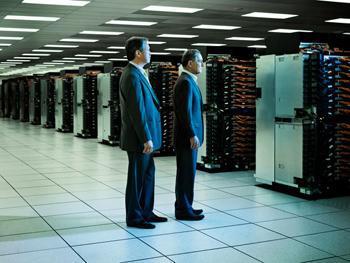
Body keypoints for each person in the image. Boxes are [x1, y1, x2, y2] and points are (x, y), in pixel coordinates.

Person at [119, 36, 167, 229]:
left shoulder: (138, 73)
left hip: (145, 137)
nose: (150, 52)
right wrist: (146, 137)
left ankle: (146, 211)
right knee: (137, 178)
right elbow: (137, 111)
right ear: (138, 53)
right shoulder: (131, 75)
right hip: (139, 139)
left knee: (148, 175)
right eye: (148, 49)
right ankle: (135, 217)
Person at [173, 49, 205, 221]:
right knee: (185, 174)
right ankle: (183, 210)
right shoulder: (185, 82)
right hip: (187, 138)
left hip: (189, 138)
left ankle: (186, 206)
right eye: (199, 61)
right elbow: (184, 113)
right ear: (190, 63)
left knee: (188, 174)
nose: (202, 64)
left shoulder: (189, 81)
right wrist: (192, 134)